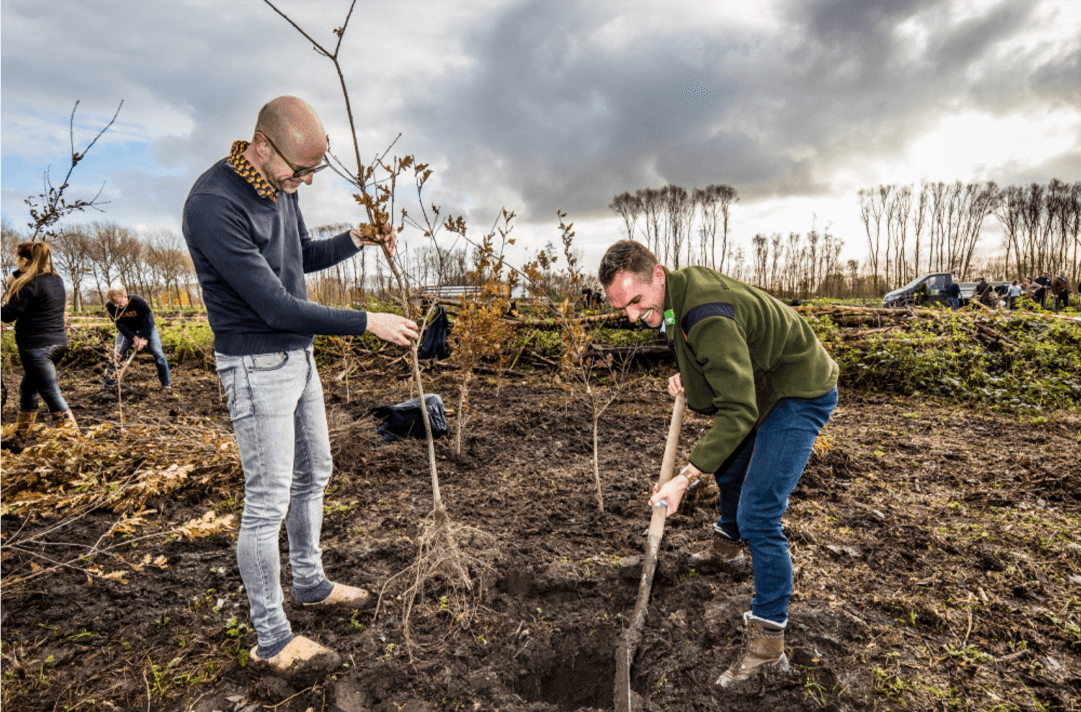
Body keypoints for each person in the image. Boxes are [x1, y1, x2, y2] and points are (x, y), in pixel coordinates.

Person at [182, 96, 418, 678]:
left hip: (299, 358)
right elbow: (273, 305)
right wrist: (367, 321)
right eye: (300, 171)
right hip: (257, 367)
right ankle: (272, 638)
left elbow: (303, 257)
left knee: (316, 474)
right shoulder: (214, 205)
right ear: (262, 145)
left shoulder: (278, 189)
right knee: (266, 502)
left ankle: (310, 583)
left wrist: (356, 240)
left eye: (314, 172)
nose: (305, 183)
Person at [599, 240, 838, 688]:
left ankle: (768, 648)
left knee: (759, 514)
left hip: (797, 388)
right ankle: (727, 550)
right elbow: (703, 358)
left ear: (659, 275)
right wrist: (686, 374)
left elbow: (737, 410)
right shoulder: (672, 301)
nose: (632, 316)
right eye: (622, 308)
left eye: (636, 302)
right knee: (728, 467)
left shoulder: (704, 312)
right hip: (762, 382)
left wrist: (684, 479)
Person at [1, 241, 79, 440]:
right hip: (58, 343)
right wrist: (17, 274)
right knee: (27, 389)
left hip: (36, 348)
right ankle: (19, 438)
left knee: (51, 394)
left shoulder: (27, 284)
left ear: (24, 260)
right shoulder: (55, 279)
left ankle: (76, 443)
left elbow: (9, 315)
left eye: (18, 259)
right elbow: (30, 275)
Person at [102, 286, 171, 392]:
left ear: (125, 296)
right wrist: (134, 337)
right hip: (127, 332)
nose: (118, 306)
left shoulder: (138, 302)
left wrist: (144, 338)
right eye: (115, 304)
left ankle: (166, 385)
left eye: (119, 303)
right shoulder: (110, 307)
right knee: (115, 355)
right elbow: (120, 326)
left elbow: (149, 321)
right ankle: (108, 387)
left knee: (158, 354)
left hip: (147, 329)